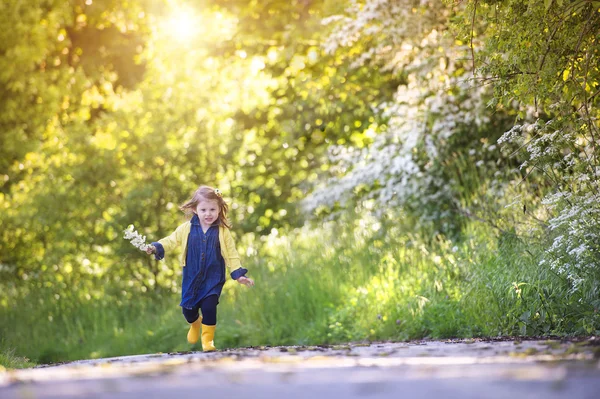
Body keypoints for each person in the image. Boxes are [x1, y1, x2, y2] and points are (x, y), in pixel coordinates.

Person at [145, 185, 254, 351]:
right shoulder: (186, 229)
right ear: (195, 209)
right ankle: (195, 324)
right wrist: (155, 247)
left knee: (209, 307)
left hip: (213, 278)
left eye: (212, 209)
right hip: (192, 277)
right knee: (188, 310)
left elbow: (231, 254)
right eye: (203, 209)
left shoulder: (222, 231)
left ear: (219, 210)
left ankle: (208, 340)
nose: (208, 213)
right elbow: (171, 240)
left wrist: (238, 274)